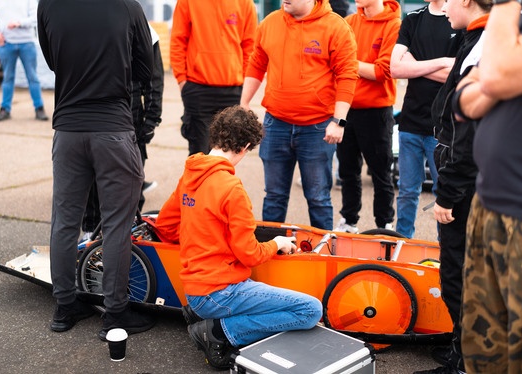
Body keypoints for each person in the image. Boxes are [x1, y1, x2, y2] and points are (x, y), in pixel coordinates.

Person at [155, 106, 323, 370]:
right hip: (220, 290)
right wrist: (277, 243)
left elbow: (165, 225)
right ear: (245, 146)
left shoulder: (190, 174)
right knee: (310, 310)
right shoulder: (232, 189)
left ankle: (201, 314)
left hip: (193, 289)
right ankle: (220, 333)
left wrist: (200, 237)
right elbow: (250, 254)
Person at [37, 0, 156, 339]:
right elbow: (145, 69)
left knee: (65, 220)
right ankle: (116, 314)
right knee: (117, 222)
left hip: (68, 130)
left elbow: (53, 61)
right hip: (112, 129)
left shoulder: (48, 5)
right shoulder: (127, 6)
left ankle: (64, 306)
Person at [418, 0, 492, 372]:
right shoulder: (482, 37)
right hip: (483, 176)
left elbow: (468, 130)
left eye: (448, 0)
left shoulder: (484, 45)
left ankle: (466, 363)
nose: (442, 7)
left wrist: (447, 193)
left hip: (469, 180)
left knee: (459, 274)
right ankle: (463, 350)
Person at [241, 0, 358, 231]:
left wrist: (339, 121)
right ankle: (270, 253)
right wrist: (244, 102)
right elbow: (257, 63)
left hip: (317, 129)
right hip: (275, 125)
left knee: (318, 199)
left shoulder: (335, 27)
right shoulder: (270, 23)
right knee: (273, 197)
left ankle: (324, 255)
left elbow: (347, 74)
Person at [454, 2, 522, 372]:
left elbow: (490, 80)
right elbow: (460, 101)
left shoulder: (508, 17)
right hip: (491, 204)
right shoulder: (511, 30)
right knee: (485, 342)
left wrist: (506, 5)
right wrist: (493, 79)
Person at [80, 24, 164, 242]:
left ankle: (130, 232)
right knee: (93, 175)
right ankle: (91, 230)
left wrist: (152, 117)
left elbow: (154, 77)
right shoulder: (92, 18)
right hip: (95, 110)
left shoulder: (143, 26)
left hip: (132, 116)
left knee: (131, 179)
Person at [390, 0, 462, 239]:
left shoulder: (459, 21)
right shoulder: (412, 19)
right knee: (406, 192)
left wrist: (416, 65)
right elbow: (396, 69)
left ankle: (446, 252)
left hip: (441, 128)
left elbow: (460, 75)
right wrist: (442, 62)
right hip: (410, 123)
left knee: (444, 196)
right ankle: (402, 244)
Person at [333, 0, 401, 233]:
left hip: (377, 111)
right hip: (346, 108)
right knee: (347, 171)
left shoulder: (394, 25)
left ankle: (384, 224)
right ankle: (349, 221)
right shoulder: (349, 22)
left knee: (381, 172)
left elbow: (382, 71)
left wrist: (346, 64)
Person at [170, 0, 258, 156]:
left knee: (228, 154)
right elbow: (178, 40)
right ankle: (198, 182)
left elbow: (250, 45)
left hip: (233, 90)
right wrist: (182, 80)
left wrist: (243, 80)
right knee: (199, 153)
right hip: (198, 88)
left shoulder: (245, 3)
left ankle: (221, 182)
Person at [0, 0, 48, 122]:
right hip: (6, 43)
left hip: (27, 43)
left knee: (33, 77)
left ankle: (39, 108)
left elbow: (36, 16)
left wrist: (19, 23)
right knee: (8, 77)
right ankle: (5, 109)